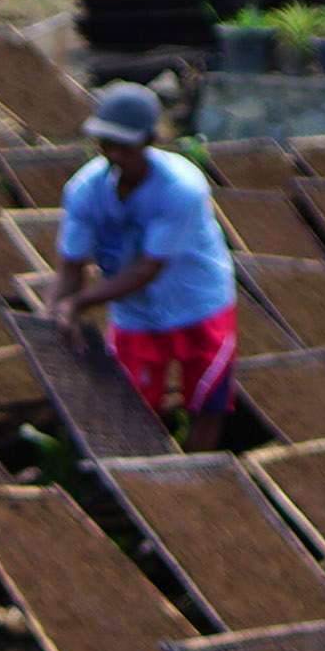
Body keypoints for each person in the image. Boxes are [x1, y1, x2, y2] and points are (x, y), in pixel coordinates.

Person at [48, 80, 240, 451]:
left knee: (204, 406)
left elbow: (148, 269)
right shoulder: (85, 190)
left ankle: (191, 486)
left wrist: (81, 304)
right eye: (106, 143)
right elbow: (70, 267)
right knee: (129, 408)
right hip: (135, 314)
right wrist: (54, 312)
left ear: (149, 141)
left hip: (197, 305)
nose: (115, 154)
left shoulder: (180, 188)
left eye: (125, 145)